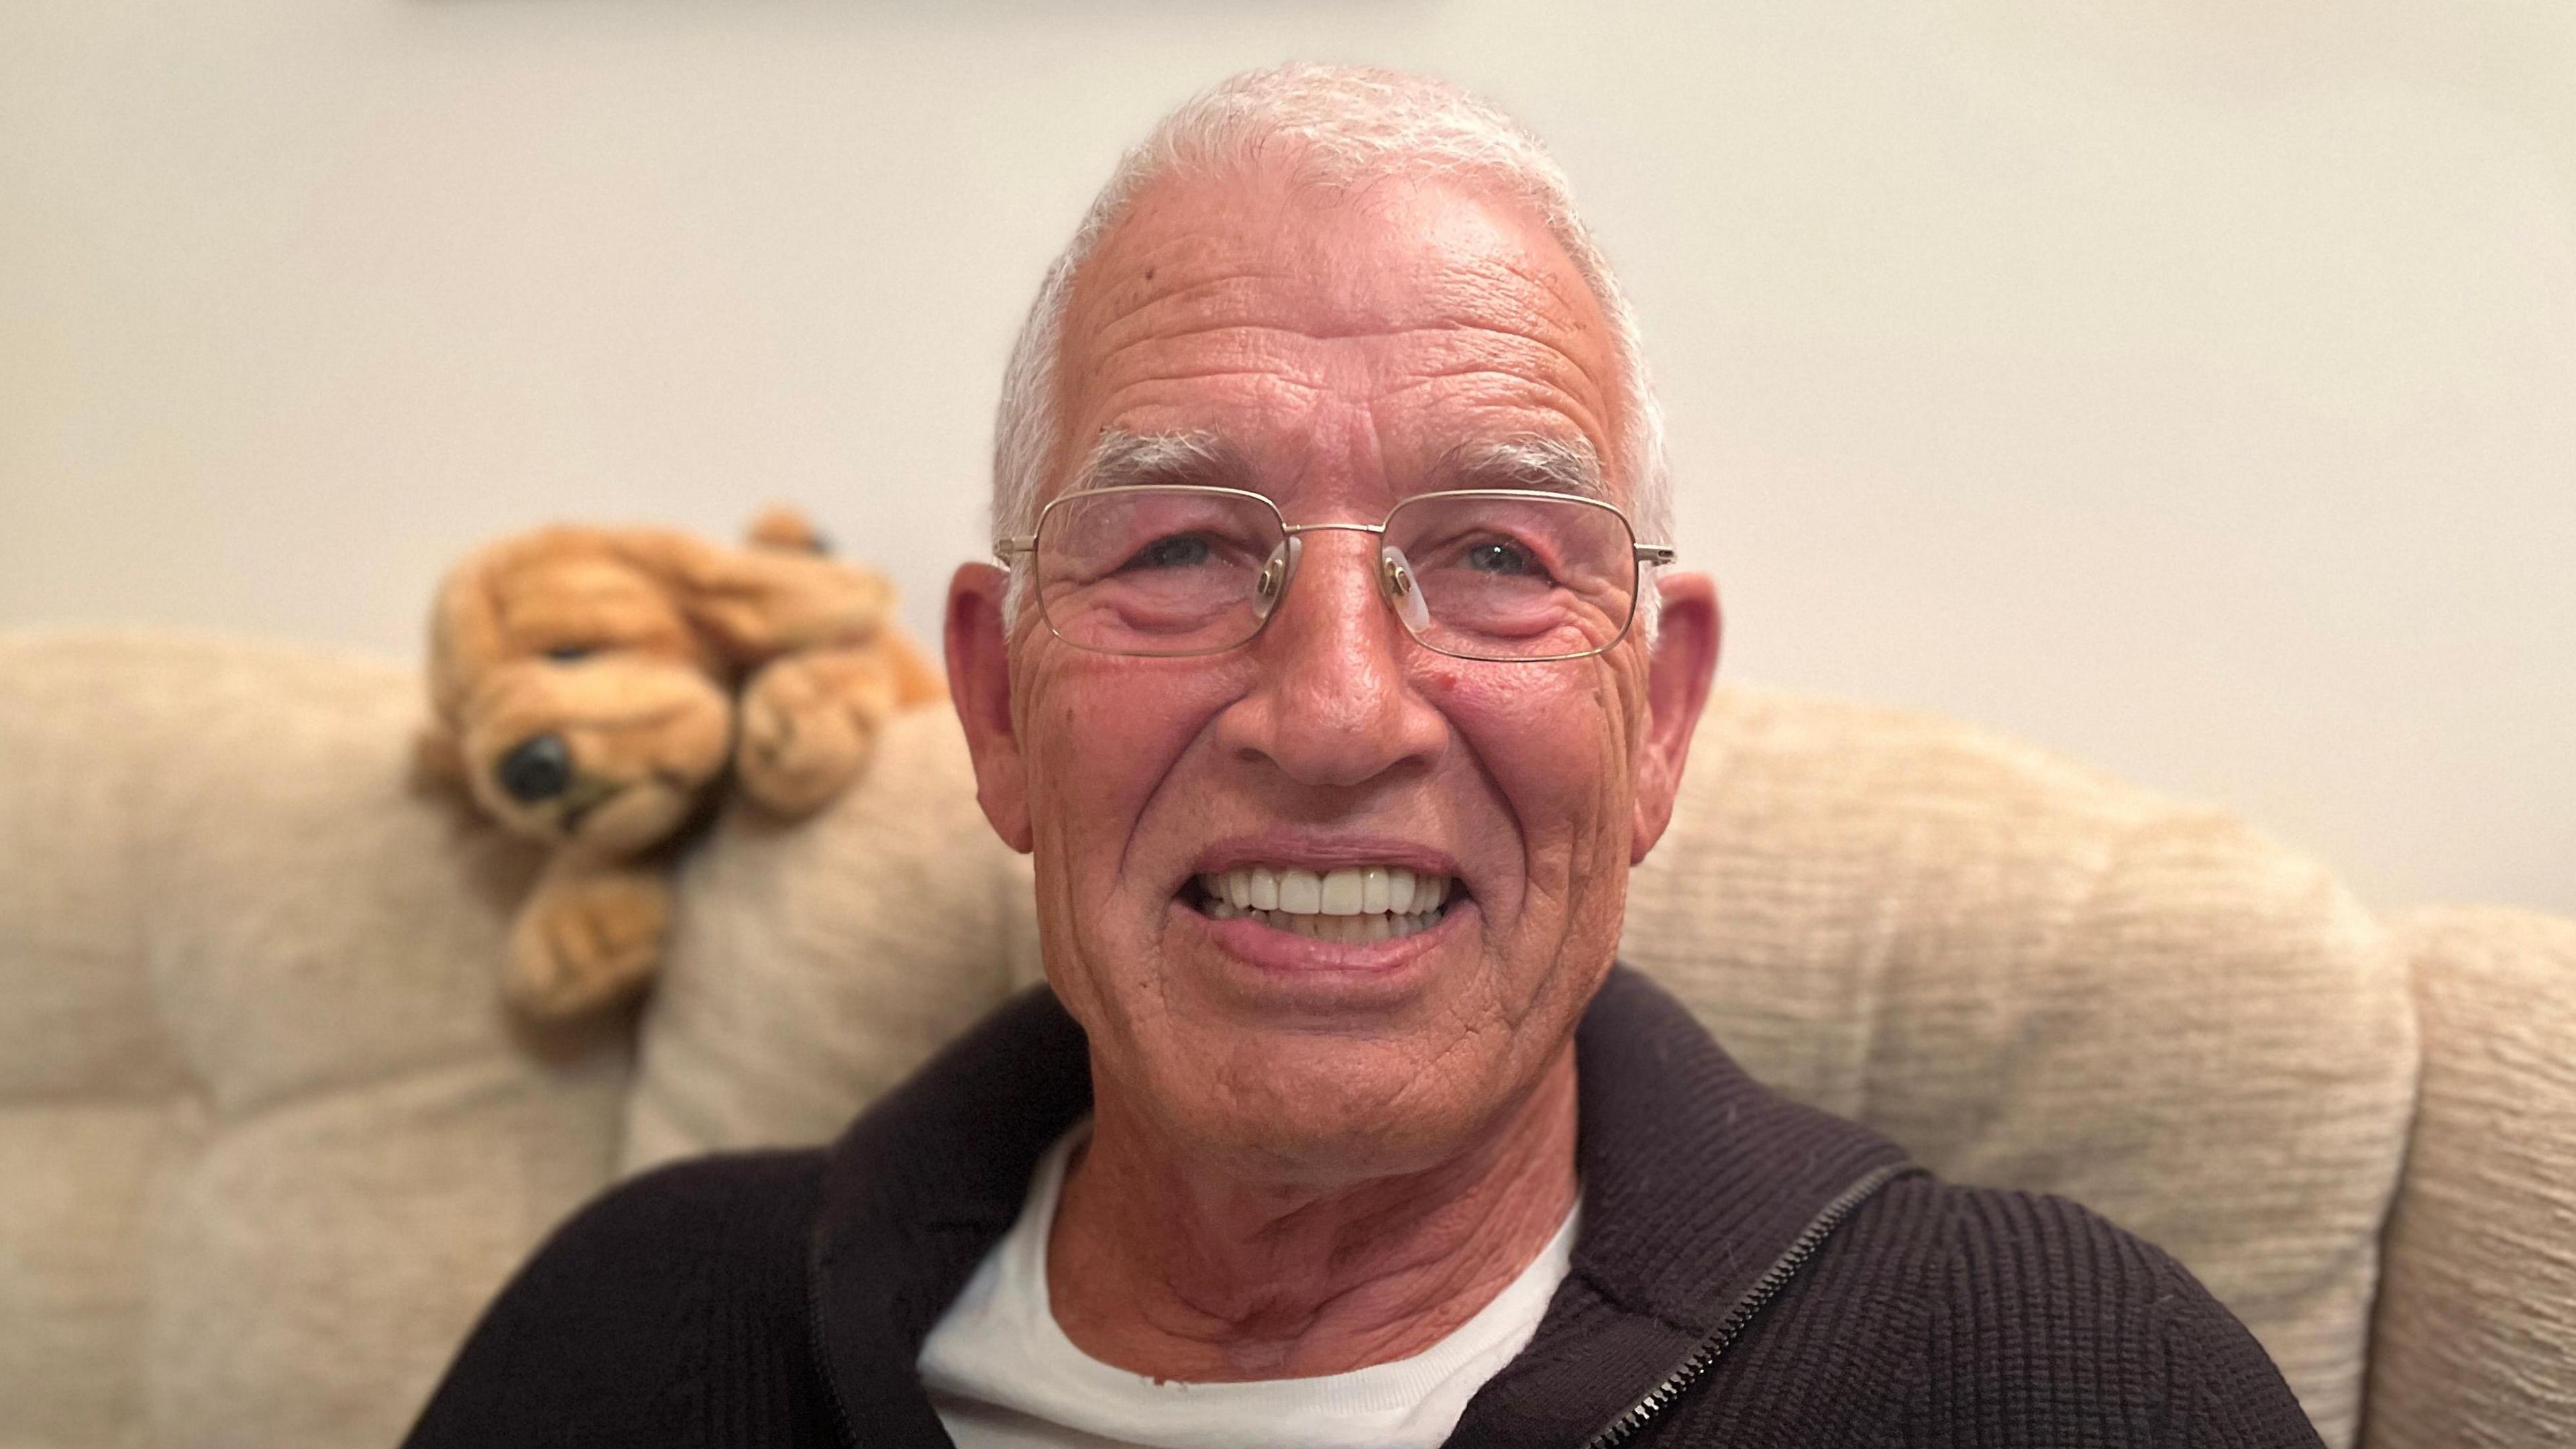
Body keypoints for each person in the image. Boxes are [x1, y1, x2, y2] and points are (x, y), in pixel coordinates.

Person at [405, 64, 2322, 1448]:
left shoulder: (2059, 1382)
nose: (1334, 713)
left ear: (1656, 716)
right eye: (1179, 549)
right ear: (996, 705)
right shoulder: (642, 1336)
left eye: (1496, 556)